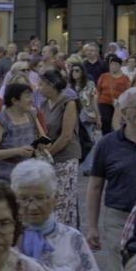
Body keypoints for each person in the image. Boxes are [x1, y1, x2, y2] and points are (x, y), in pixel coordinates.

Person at [84, 87, 136, 258]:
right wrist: (93, 227)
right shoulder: (108, 144)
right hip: (119, 218)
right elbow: (94, 187)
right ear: (125, 113)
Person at [37, 69, 86, 228]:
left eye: (41, 85)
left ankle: (63, 233)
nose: (39, 88)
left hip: (64, 157)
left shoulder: (69, 103)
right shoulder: (44, 104)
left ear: (51, 85)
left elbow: (66, 136)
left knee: (62, 200)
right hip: (48, 158)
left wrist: (47, 155)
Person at [0, 79, 41, 186]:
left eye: (31, 96)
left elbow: (44, 139)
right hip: (2, 176)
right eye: (27, 96)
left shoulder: (30, 114)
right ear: (14, 100)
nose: (32, 100)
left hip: (25, 173)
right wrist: (17, 151)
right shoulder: (0, 121)